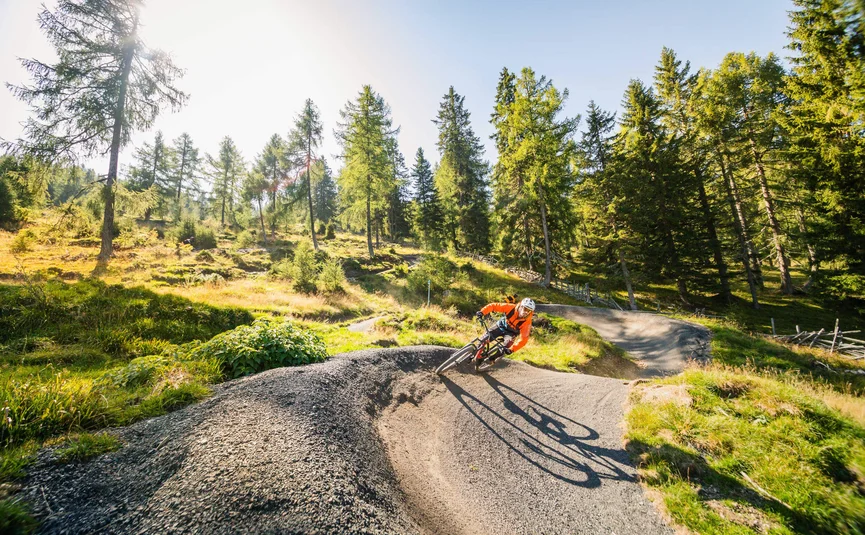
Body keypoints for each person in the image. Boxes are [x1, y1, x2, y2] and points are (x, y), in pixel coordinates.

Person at [474, 297, 536, 363]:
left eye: (529, 311)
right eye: (525, 309)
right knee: (483, 339)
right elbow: (494, 306)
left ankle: (491, 359)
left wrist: (512, 350)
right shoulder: (511, 308)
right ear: (521, 306)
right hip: (500, 326)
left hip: (511, 333)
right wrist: (482, 312)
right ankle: (475, 354)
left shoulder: (527, 322)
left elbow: (524, 339)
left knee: (504, 349)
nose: (526, 312)